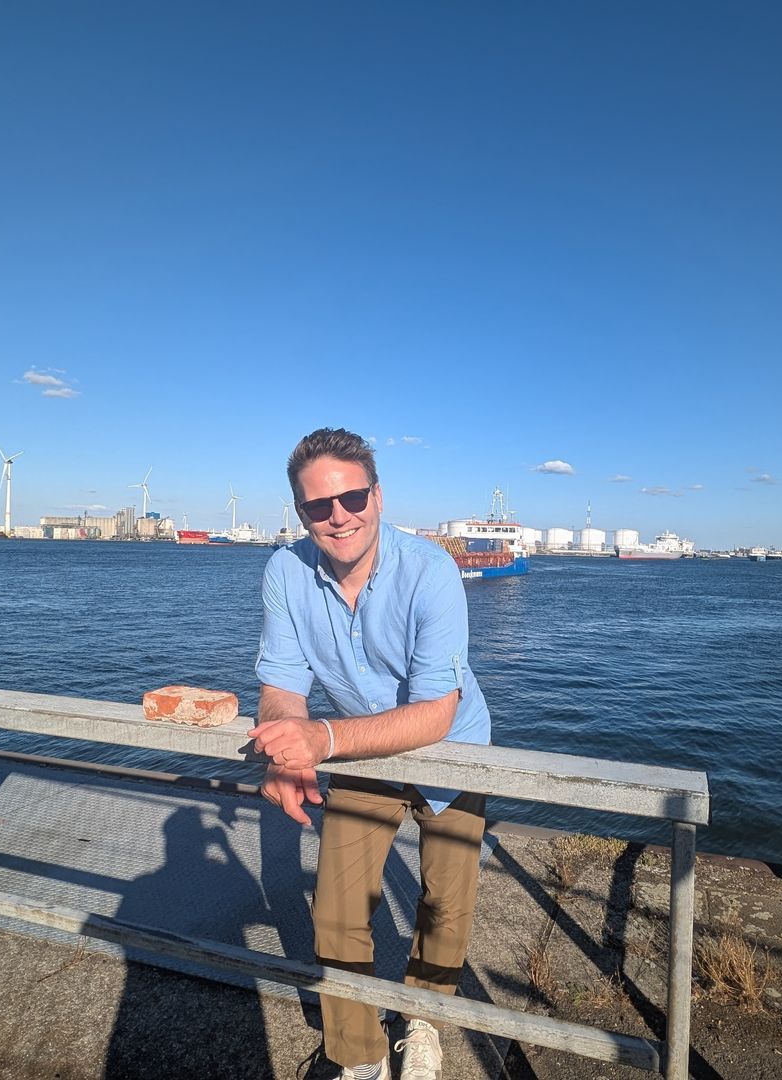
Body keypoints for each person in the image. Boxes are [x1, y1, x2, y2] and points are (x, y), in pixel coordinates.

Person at [249, 427, 491, 1080]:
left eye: (351, 498)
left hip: (452, 748)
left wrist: (321, 740)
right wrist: (286, 746)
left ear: (377, 497)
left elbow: (439, 710)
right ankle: (360, 1055)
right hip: (364, 746)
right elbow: (281, 687)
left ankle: (423, 1018)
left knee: (447, 904)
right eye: (317, 506)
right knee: (337, 908)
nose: (338, 517)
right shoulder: (285, 573)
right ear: (300, 513)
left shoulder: (431, 570)